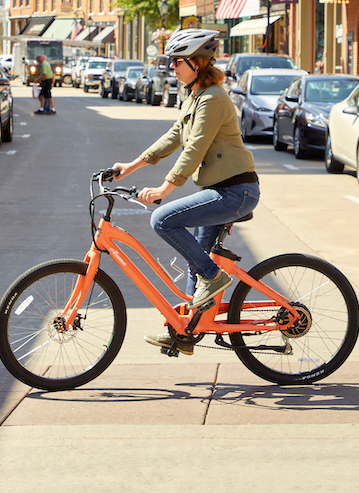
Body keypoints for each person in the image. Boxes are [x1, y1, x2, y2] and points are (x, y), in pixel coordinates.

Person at [111, 29, 259, 355]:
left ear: (197, 62)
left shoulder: (214, 98)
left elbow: (193, 149)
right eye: (172, 62)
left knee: (163, 220)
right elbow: (174, 136)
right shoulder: (193, 96)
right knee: (198, 264)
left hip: (236, 191)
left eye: (178, 61)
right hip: (220, 189)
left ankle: (213, 277)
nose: (172, 68)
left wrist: (165, 187)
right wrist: (131, 165)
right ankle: (187, 331)